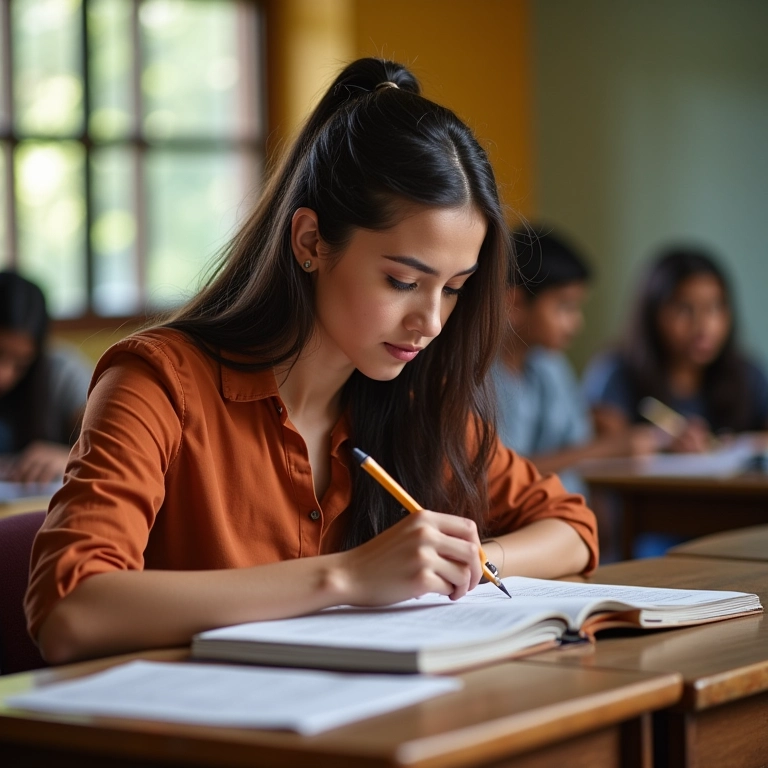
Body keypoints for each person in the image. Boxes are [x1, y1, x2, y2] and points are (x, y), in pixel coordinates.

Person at [26, 58, 598, 667]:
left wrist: (463, 563)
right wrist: (347, 577)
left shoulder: (409, 402)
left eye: (453, 288)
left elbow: (572, 528)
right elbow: (71, 610)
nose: (431, 322)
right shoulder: (158, 382)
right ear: (310, 242)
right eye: (403, 281)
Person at [492, 227, 659, 495]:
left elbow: (576, 438)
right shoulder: (479, 377)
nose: (576, 323)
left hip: (563, 509)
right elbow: (499, 476)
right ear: (516, 303)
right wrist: (605, 448)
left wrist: (601, 428)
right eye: (565, 307)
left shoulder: (550, 364)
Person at [583, 246, 768, 450]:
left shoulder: (748, 374)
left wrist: (737, 445)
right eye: (684, 309)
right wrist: (660, 443)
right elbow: (605, 449)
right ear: (653, 314)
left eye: (715, 307)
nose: (704, 326)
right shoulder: (616, 372)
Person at [0, 272, 92, 484]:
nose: (3, 375)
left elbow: (113, 447)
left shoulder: (62, 374)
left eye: (21, 364)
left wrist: (73, 457)